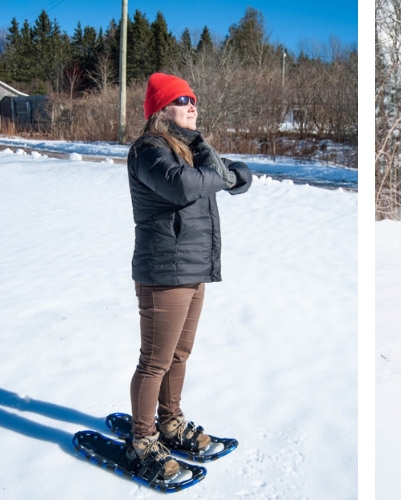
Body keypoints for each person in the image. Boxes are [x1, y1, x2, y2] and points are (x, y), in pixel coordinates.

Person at [126, 72, 252, 479]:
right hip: (164, 270)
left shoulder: (187, 149)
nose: (193, 105)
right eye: (182, 99)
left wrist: (233, 172)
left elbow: (222, 174)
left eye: (194, 99)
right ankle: (143, 440)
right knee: (154, 361)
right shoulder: (149, 150)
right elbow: (182, 187)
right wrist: (222, 173)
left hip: (193, 267)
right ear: (162, 110)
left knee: (179, 356)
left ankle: (171, 422)